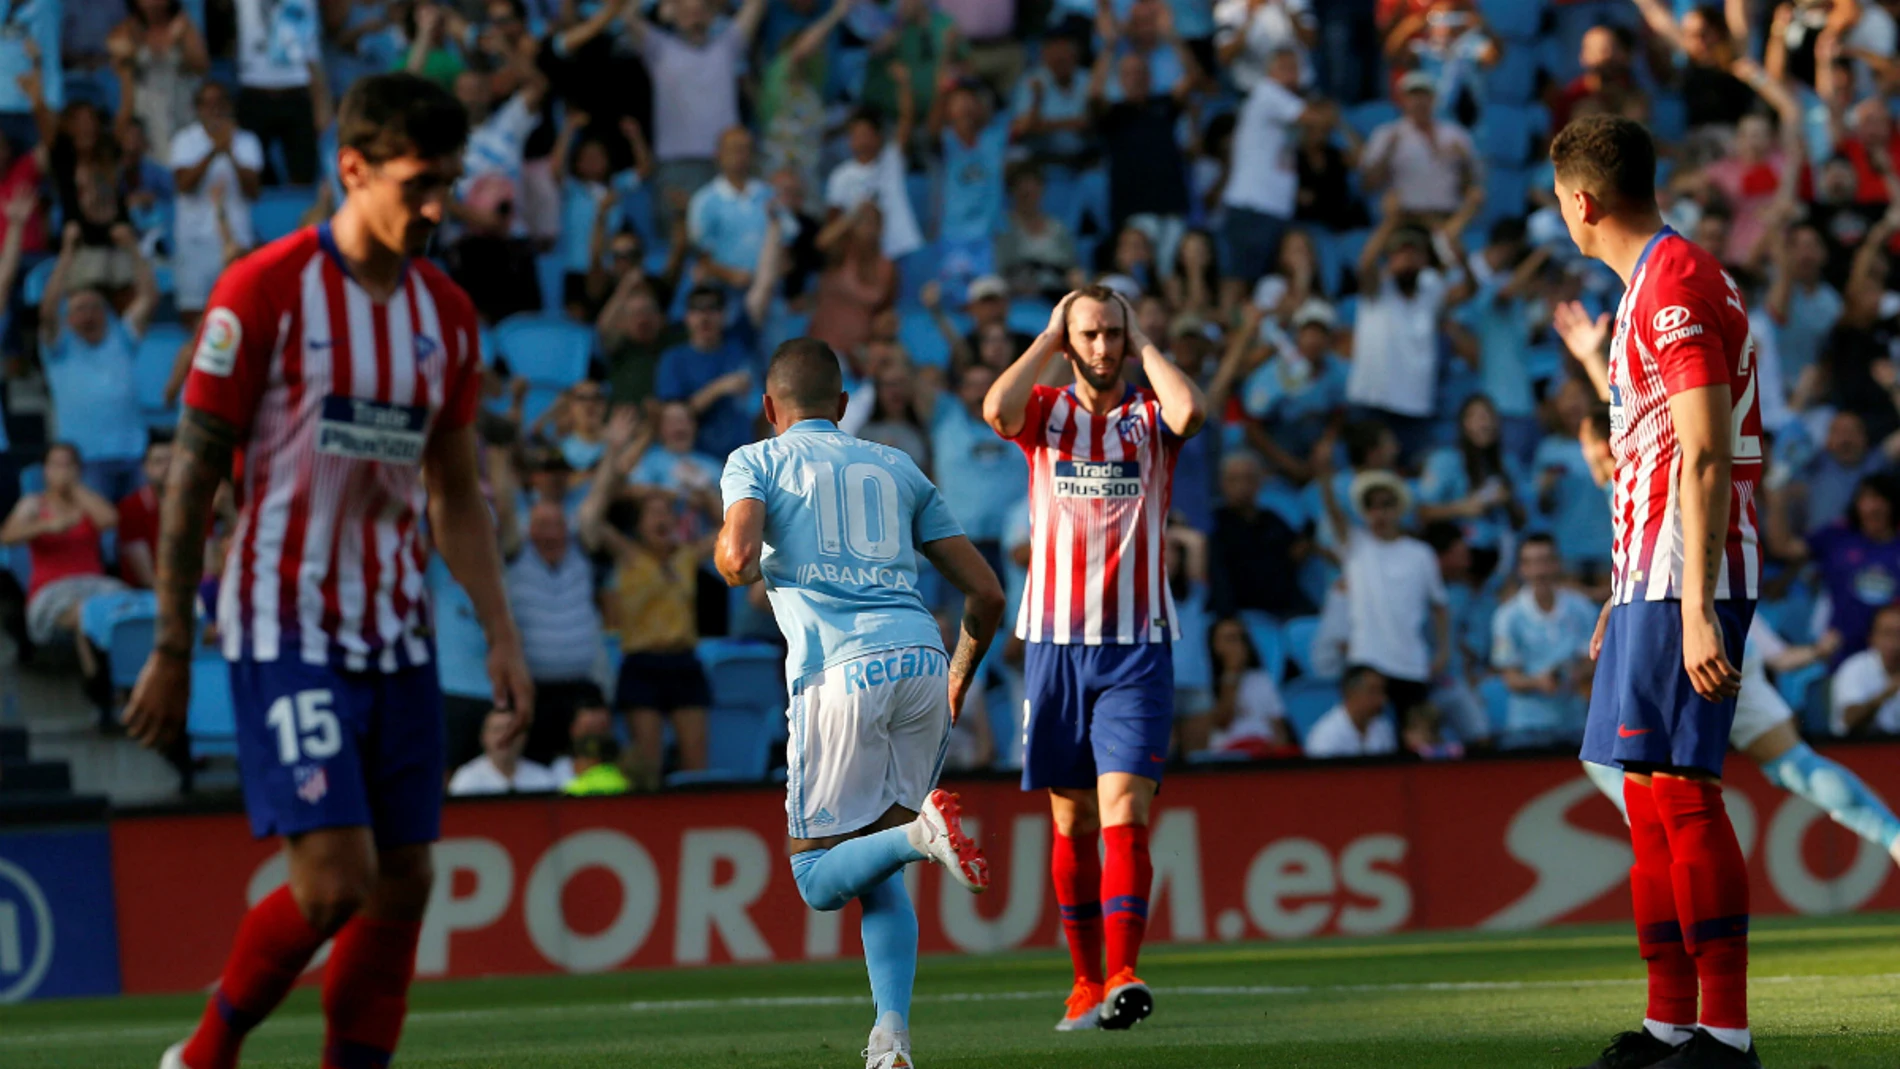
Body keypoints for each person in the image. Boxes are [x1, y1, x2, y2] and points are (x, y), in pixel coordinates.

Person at [122, 73, 533, 1069]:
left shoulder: (448, 315)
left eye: (448, 183)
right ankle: (203, 1053)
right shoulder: (263, 289)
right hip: (281, 622)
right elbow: (194, 476)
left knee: (406, 882)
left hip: (395, 634)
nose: (437, 207)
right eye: (418, 184)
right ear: (352, 168)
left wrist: (501, 629)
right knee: (335, 881)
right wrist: (175, 640)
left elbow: (456, 490)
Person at [716, 337, 1005, 1069]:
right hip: (922, 658)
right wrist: (957, 678)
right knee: (877, 864)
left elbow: (738, 559)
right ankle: (891, 1041)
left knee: (818, 877)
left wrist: (729, 552)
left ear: (768, 409)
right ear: (844, 407)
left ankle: (921, 835)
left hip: (839, 673)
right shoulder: (896, 463)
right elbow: (987, 592)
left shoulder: (757, 459)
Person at [1548, 115, 1762, 1069]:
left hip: (1686, 576)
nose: (1562, 216)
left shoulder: (1674, 281)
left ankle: (1725, 1033)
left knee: (1683, 793)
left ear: (1582, 202)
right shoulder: (1646, 286)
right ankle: (1671, 1021)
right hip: (1648, 575)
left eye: (1560, 202)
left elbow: (1708, 446)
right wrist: (1623, 584)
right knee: (1647, 795)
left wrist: (1694, 602)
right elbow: (1655, 452)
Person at [983, 285, 1208, 1032]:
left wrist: (1147, 338)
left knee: (1125, 805)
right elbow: (995, 409)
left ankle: (1123, 972)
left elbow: (1191, 412)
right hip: (1054, 643)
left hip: (1137, 644)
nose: (1104, 347)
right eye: (1091, 334)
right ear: (1070, 339)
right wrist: (1048, 335)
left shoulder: (1148, 419)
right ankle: (1084, 981)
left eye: (1113, 333)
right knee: (1071, 816)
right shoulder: (1046, 411)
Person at [584, 411, 716, 790]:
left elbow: (731, 530)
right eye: (654, 513)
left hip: (684, 662)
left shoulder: (686, 556)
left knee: (696, 766)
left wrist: (702, 487)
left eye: (668, 512)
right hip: (641, 664)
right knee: (648, 768)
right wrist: (613, 454)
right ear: (639, 523)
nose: (663, 518)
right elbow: (592, 515)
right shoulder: (628, 555)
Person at [40, 218, 160, 503]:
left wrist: (132, 248)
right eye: (80, 308)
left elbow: (150, 297)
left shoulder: (121, 336)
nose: (89, 313)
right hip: (85, 462)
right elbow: (47, 309)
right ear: (68, 318)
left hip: (134, 457)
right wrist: (67, 252)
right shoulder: (59, 346)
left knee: (141, 539)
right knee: (102, 541)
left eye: (95, 307)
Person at [0, 443, 124, 663]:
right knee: (87, 613)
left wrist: (74, 488)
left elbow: (110, 520)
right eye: (56, 465)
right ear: (45, 470)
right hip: (53, 591)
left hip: (95, 583)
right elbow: (7, 536)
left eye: (69, 465)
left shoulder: (87, 502)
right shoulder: (34, 504)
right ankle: (99, 682)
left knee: (127, 611)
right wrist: (46, 526)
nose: (62, 470)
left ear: (78, 469)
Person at [1490, 534, 1598, 749]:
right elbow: (1510, 677)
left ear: (1557, 563)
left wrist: (1575, 673)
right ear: (1522, 568)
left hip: (1575, 723)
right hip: (1526, 728)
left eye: (1546, 561)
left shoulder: (1581, 608)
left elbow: (1595, 660)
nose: (1539, 570)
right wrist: (1539, 682)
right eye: (1531, 562)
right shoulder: (1507, 616)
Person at [447, 707, 561, 795]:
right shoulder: (467, 779)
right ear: (483, 737)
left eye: (512, 730)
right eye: (497, 730)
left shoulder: (543, 778)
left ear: (524, 737)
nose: (505, 736)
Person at [1833, 601, 1900, 737]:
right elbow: (1850, 720)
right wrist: (1886, 694)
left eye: (1898, 634)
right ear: (1872, 637)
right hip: (1858, 749)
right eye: (1887, 633)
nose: (1894, 642)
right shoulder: (1855, 667)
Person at [1303, 665, 1398, 758]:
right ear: (1351, 692)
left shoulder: (1384, 727)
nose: (1383, 699)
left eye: (1382, 691)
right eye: (1373, 691)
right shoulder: (1325, 737)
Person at [116, 436, 173, 589]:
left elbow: (209, 567)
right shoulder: (131, 507)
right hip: (145, 594)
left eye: (173, 461)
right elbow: (146, 577)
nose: (167, 467)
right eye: (159, 462)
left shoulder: (196, 503)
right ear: (145, 468)